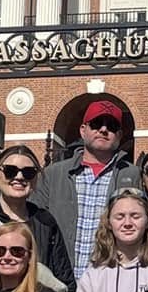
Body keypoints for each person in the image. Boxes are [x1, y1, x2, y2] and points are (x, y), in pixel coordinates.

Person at [0, 143, 76, 292]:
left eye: (28, 172)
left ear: (35, 180)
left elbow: (66, 281)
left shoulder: (45, 222)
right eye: (10, 171)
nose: (19, 177)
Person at [31, 99, 135, 262]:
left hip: (110, 272)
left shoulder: (132, 175)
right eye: (96, 124)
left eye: (111, 126)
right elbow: (33, 225)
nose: (103, 130)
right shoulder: (53, 175)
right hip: (59, 272)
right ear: (83, 130)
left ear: (119, 135)